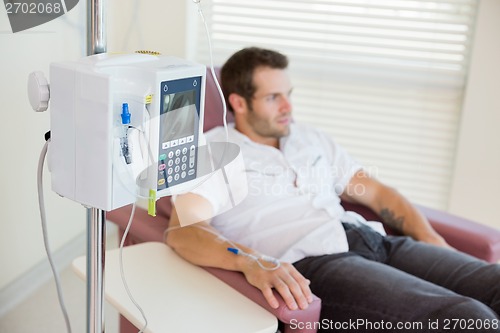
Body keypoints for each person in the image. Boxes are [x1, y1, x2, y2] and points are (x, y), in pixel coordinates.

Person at [166, 47, 500, 332]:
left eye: (288, 94)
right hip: (318, 263)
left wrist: (432, 241)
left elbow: (378, 195)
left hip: (375, 240)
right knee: (468, 318)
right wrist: (250, 261)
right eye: (273, 98)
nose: (288, 107)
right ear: (239, 102)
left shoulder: (309, 139)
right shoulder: (215, 151)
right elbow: (184, 230)